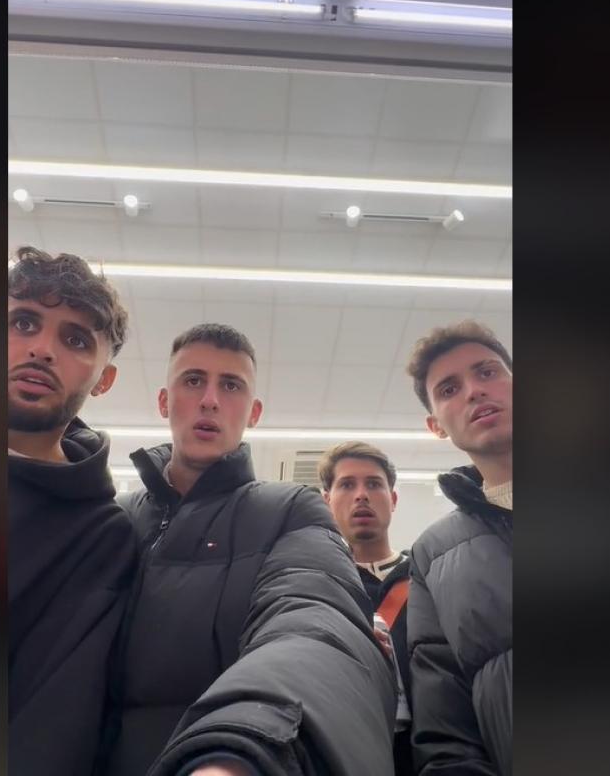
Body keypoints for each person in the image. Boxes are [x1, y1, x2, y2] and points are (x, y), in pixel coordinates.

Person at [102, 323, 395, 776]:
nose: (210, 400)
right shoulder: (113, 520)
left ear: (254, 412)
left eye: (231, 385)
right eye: (193, 380)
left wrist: (244, 752)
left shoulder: (290, 510)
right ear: (164, 401)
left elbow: (313, 617)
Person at [8, 246, 137, 776]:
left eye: (76, 339)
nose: (42, 350)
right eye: (23, 322)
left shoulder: (102, 538)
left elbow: (52, 724)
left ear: (104, 379)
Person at [403, 320, 513, 776]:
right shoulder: (432, 555)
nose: (474, 391)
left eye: (487, 372)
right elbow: (445, 728)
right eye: (449, 389)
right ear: (436, 426)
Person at [318, 441, 414, 775]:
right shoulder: (314, 587)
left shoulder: (429, 578)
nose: (361, 495)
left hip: (426, 753)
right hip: (339, 748)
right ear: (326, 501)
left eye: (374, 484)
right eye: (347, 485)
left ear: (393, 499)